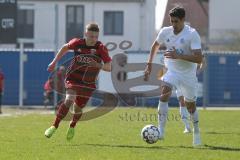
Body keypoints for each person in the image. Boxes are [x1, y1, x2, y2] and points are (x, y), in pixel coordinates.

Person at [144, 6, 203, 146]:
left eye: (176, 21)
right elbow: (155, 46)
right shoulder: (166, 32)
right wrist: (149, 64)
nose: (173, 25)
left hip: (188, 75)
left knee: (191, 106)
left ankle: (196, 130)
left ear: (183, 20)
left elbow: (199, 59)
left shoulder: (192, 34)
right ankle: (161, 132)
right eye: (171, 21)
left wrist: (180, 56)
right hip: (172, 71)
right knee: (164, 93)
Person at [44, 23, 112, 140]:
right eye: (91, 36)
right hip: (73, 78)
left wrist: (97, 64)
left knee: (78, 108)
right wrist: (54, 62)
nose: (93, 39)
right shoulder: (77, 43)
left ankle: (72, 125)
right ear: (86, 34)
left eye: (96, 37)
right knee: (69, 99)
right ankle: (54, 126)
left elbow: (109, 67)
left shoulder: (101, 48)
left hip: (88, 83)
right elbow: (65, 47)